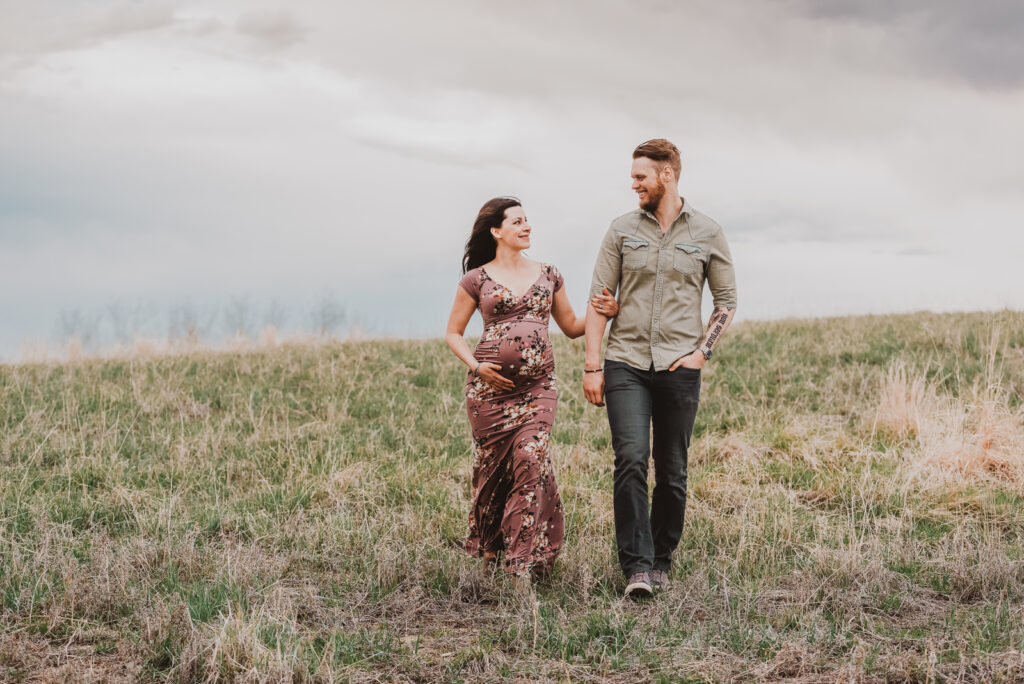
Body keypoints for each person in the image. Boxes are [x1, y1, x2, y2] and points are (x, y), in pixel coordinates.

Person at [583, 139, 738, 598]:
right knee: (630, 459)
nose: (634, 185)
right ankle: (636, 567)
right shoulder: (621, 230)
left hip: (679, 366)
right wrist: (593, 366)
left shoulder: (707, 232)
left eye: (640, 177)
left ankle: (662, 561)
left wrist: (701, 353)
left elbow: (726, 301)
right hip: (625, 362)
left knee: (672, 471)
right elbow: (597, 299)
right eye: (633, 178)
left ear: (666, 174)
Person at [445, 196, 618, 587]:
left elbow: (572, 326)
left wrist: (605, 310)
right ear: (496, 231)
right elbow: (452, 333)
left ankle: (522, 561)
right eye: (518, 222)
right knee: (493, 472)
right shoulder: (476, 279)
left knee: (530, 456)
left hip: (538, 389)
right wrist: (477, 368)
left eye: (528, 221)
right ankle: (491, 551)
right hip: (489, 395)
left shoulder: (549, 274)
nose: (527, 227)